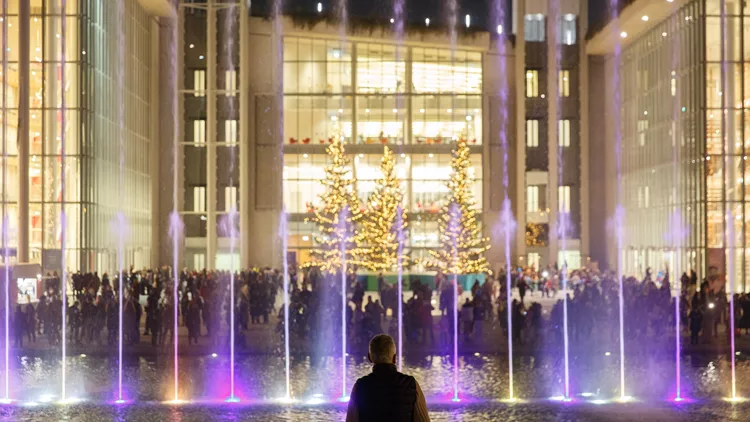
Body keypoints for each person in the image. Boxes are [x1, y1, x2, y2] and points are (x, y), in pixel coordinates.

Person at [346, 334, 430, 422]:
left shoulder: (360, 387)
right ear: (394, 358)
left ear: (370, 358)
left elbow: (351, 419)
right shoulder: (411, 385)